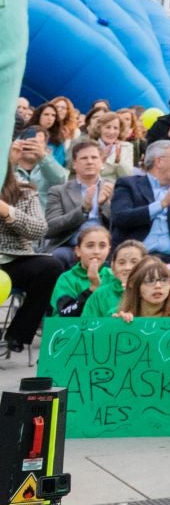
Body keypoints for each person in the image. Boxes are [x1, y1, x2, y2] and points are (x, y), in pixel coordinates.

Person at [0, 130, 65, 355]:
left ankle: (18, 334)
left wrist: (8, 212)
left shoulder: (24, 191)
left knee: (51, 266)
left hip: (13, 258)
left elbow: (39, 229)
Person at [108, 138, 170, 260]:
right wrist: (162, 204)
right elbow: (120, 218)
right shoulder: (129, 184)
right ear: (159, 162)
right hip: (137, 258)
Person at [42, 136, 115, 266]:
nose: (89, 162)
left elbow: (119, 226)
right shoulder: (59, 191)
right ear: (74, 164)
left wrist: (105, 205)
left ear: (101, 162)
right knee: (56, 257)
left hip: (105, 246)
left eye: (94, 158)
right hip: (71, 246)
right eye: (84, 158)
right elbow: (50, 228)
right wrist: (83, 209)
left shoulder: (112, 188)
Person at [51, 225, 114, 318]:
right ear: (78, 251)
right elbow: (65, 313)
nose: (96, 251)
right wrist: (92, 288)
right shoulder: (66, 279)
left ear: (108, 250)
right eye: (90, 246)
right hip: (72, 330)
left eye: (102, 246)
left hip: (106, 331)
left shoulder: (114, 276)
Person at [84, 239, 147, 318]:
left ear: (146, 265)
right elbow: (87, 326)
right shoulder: (99, 295)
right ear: (113, 267)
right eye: (121, 263)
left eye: (134, 262)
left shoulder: (153, 292)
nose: (127, 267)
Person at [116, 258, 170, 322]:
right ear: (135, 285)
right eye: (150, 281)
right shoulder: (127, 317)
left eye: (164, 280)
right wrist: (117, 324)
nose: (158, 286)